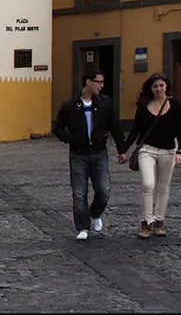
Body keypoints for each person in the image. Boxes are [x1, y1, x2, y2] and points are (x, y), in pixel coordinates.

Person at [53, 71, 126, 240]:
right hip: (78, 154)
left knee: (104, 189)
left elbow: (114, 126)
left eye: (102, 82)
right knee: (79, 193)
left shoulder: (105, 103)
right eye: (98, 82)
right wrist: (70, 139)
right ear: (88, 82)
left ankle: (95, 213)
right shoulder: (70, 105)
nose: (101, 86)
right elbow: (58, 128)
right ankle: (83, 227)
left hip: (99, 152)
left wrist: (121, 149)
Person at [118, 73, 181, 238]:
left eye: (161, 85)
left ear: (166, 86)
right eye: (155, 86)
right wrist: (123, 149)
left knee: (163, 187)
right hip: (147, 149)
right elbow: (135, 130)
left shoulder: (175, 104)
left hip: (168, 150)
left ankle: (159, 221)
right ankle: (145, 222)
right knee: (148, 184)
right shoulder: (144, 105)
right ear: (150, 88)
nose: (158, 89)